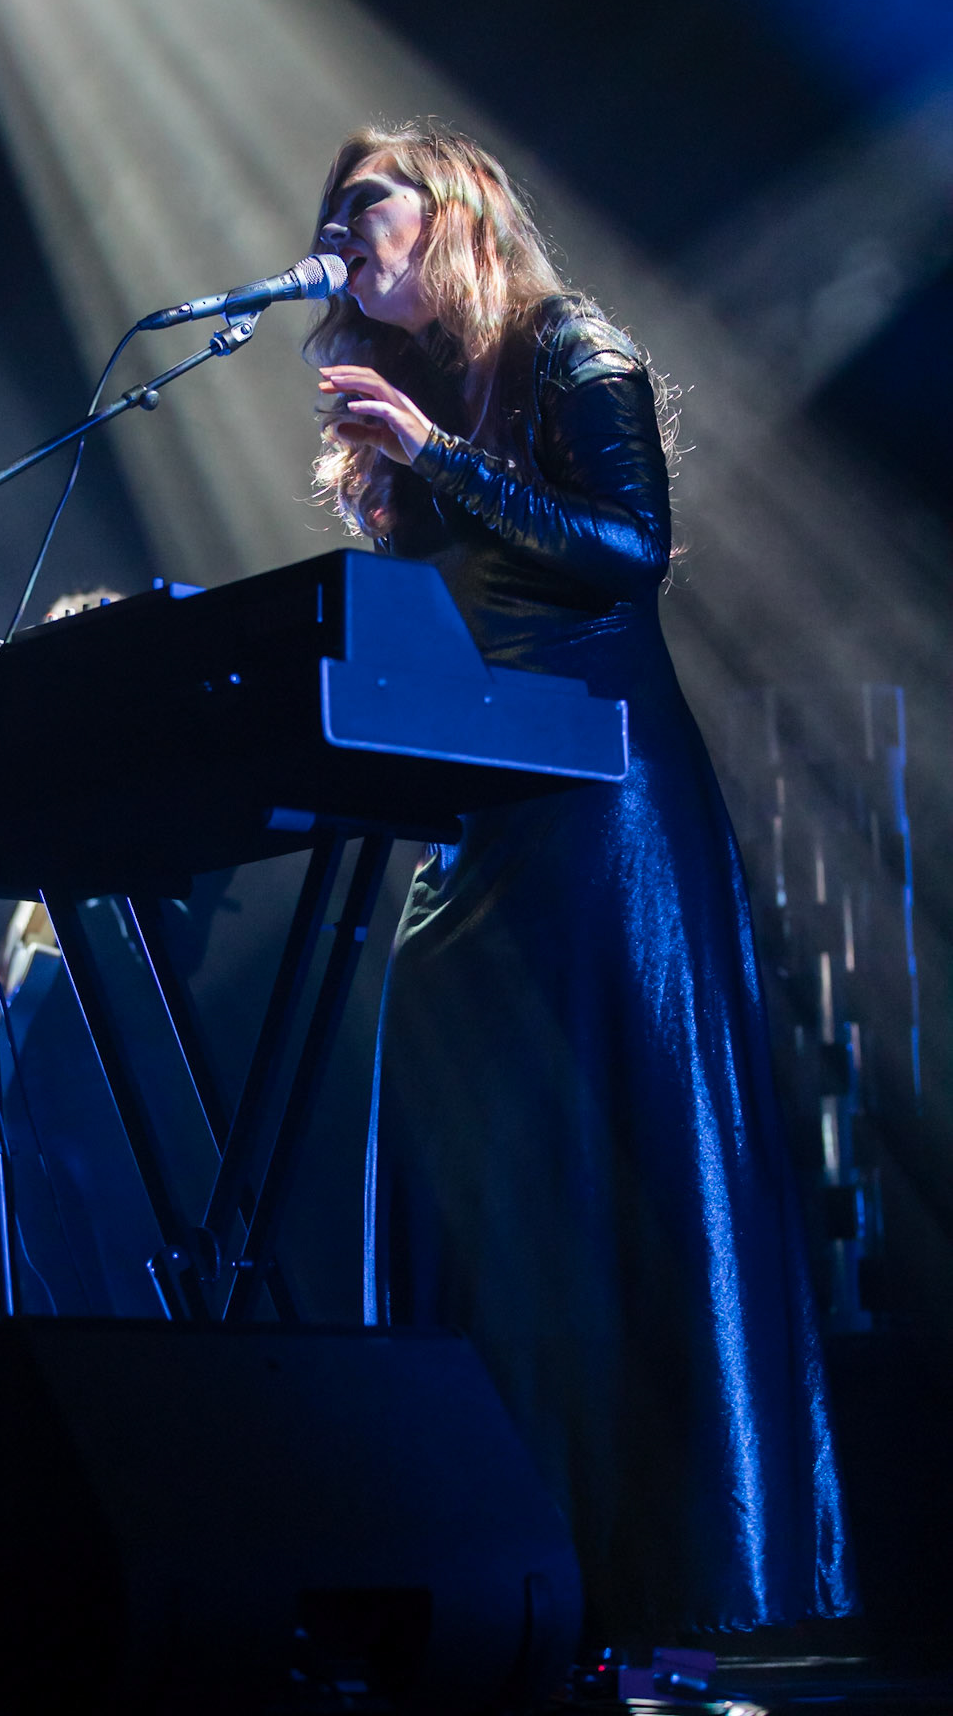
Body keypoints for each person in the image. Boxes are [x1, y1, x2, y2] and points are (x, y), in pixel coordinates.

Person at [305, 120, 853, 1640]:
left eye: (367, 204)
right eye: (330, 214)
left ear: (454, 209)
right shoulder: (404, 387)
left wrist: (439, 457)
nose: (340, 232)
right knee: (466, 1164)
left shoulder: (568, 347)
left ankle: (666, 1578)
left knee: (619, 1159)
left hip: (601, 804)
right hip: (477, 809)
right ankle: (485, 1576)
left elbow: (629, 549)